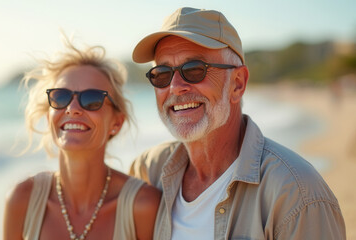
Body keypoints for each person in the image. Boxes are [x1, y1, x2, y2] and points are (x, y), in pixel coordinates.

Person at [129, 7, 346, 239]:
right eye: (161, 73)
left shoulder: (296, 194)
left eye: (194, 70)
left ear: (238, 83)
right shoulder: (149, 171)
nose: (175, 87)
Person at [3, 37, 160, 240]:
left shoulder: (142, 206)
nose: (72, 109)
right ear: (48, 114)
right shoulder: (22, 199)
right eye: (60, 97)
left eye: (92, 99)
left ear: (116, 122)